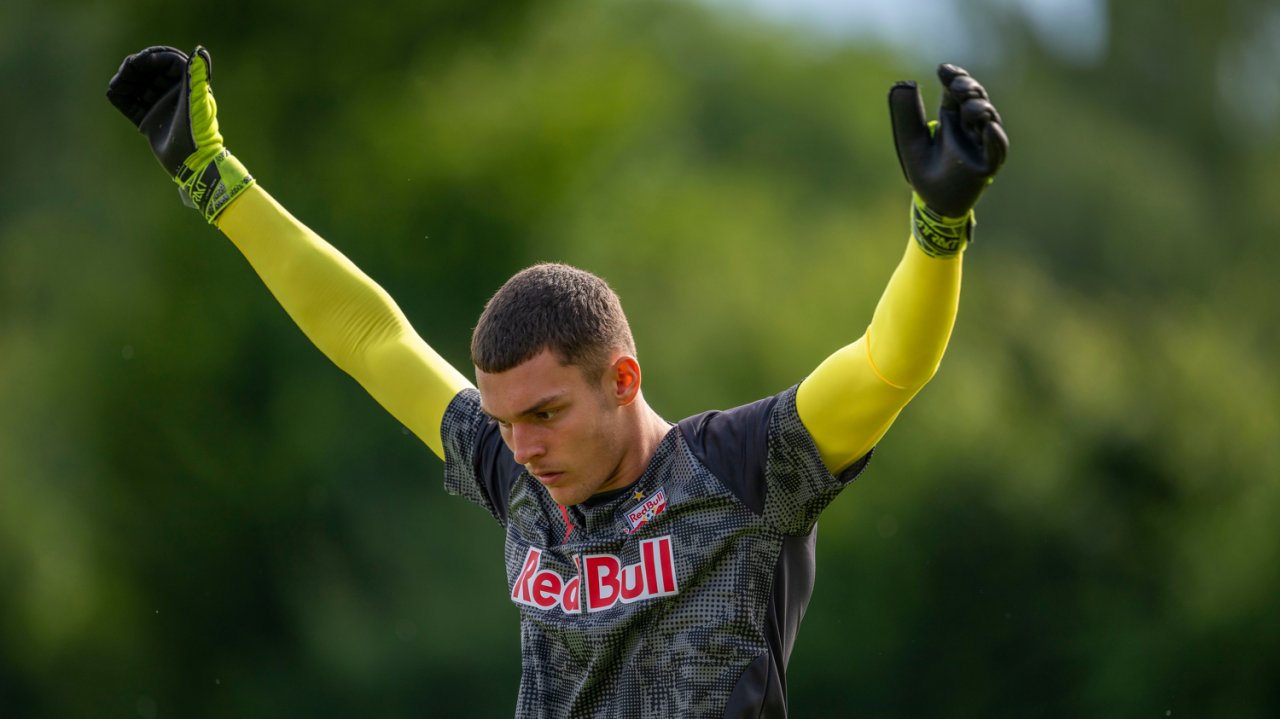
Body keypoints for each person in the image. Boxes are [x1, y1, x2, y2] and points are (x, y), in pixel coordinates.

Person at [107, 45, 1006, 718]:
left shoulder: (742, 469)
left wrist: (938, 226)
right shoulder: (518, 472)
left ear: (622, 378)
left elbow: (891, 365)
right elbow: (371, 338)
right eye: (502, 422)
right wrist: (211, 177)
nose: (522, 446)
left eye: (545, 412)